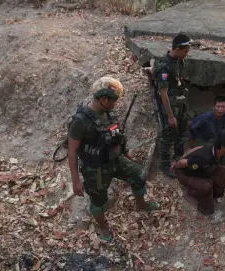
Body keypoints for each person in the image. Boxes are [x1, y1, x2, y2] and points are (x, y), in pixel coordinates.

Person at [67, 76, 159, 241]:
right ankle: (103, 227)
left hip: (115, 159)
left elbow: (116, 135)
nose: (115, 105)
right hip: (96, 169)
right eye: (113, 101)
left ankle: (141, 204)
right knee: (99, 200)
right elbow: (72, 151)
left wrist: (125, 151)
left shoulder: (107, 113)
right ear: (103, 99)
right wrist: (75, 181)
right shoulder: (80, 121)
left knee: (138, 175)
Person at [153, 33, 192, 178]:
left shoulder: (178, 61)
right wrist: (170, 116)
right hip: (170, 108)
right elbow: (163, 94)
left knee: (181, 133)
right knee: (167, 136)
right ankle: (164, 164)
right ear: (177, 48)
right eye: (185, 51)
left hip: (180, 104)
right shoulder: (164, 66)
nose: (187, 54)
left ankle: (179, 159)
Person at [172, 130, 225, 215]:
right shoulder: (203, 159)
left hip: (201, 169)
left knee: (223, 171)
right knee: (206, 186)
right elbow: (183, 163)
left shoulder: (215, 148)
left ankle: (215, 193)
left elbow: (198, 148)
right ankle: (192, 194)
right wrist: (176, 165)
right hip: (185, 174)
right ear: (223, 147)